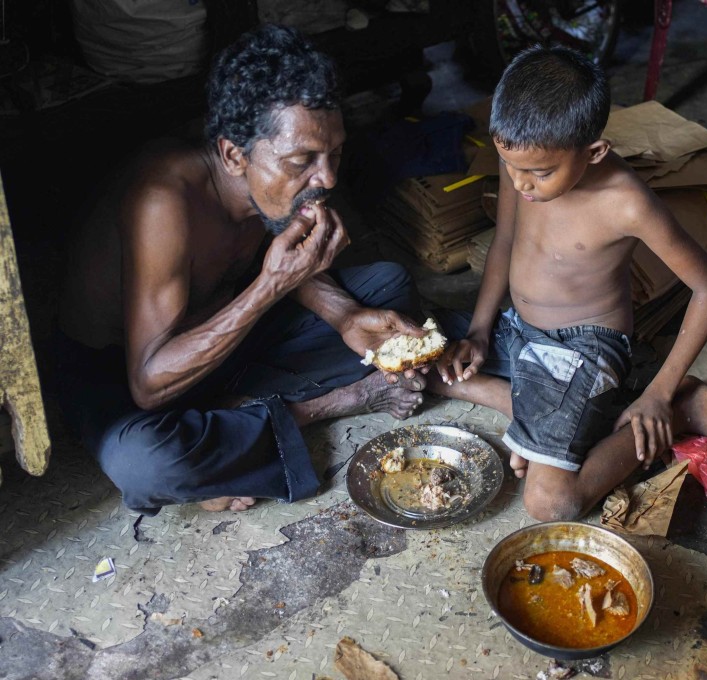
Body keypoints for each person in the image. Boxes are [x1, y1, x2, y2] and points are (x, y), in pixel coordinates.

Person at [55, 24, 431, 515]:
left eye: (334, 153)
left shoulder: (269, 179)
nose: (328, 177)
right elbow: (149, 383)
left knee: (388, 286)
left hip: (224, 335)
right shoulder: (163, 200)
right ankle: (325, 405)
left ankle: (235, 424)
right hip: (126, 375)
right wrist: (271, 286)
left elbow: (277, 268)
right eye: (303, 160)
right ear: (234, 155)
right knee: (147, 463)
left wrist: (343, 317)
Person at [429, 45, 707, 521]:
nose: (522, 183)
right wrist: (480, 330)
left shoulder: (625, 202)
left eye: (540, 173)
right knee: (424, 363)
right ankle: (533, 416)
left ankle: (681, 411)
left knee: (551, 503)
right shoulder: (523, 162)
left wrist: (659, 393)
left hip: (584, 349)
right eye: (511, 166)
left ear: (594, 152)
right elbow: (504, 243)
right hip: (518, 330)